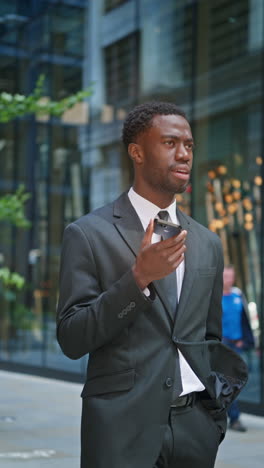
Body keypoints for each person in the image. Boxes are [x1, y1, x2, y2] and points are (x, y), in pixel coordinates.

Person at [56, 102, 248, 468]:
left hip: (195, 431)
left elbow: (210, 337)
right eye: (170, 142)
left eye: (189, 145)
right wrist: (137, 279)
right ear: (137, 152)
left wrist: (213, 419)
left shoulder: (207, 242)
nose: (184, 154)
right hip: (120, 431)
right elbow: (71, 338)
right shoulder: (87, 234)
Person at [222, 265, 254, 432]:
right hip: (222, 345)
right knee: (229, 381)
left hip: (238, 345)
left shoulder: (238, 294)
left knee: (236, 382)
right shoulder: (215, 297)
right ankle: (234, 418)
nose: (229, 279)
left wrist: (245, 340)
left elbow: (245, 319)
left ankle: (230, 415)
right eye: (226, 276)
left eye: (231, 276)